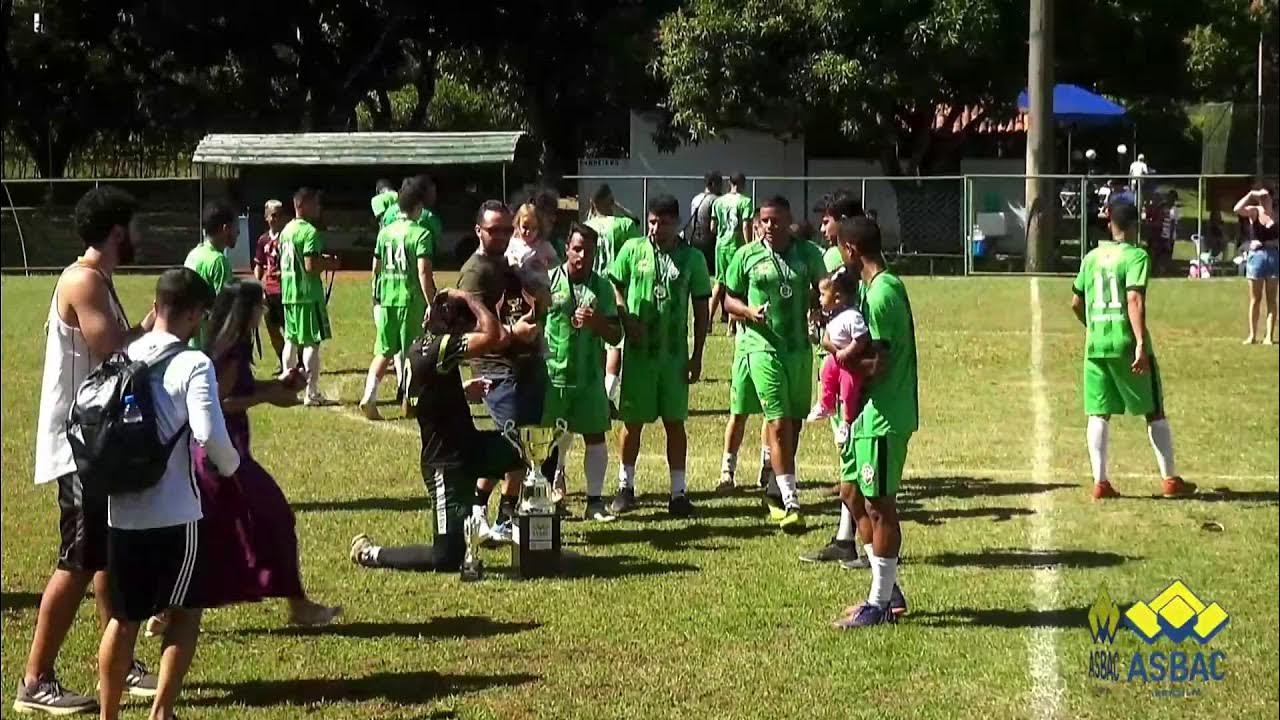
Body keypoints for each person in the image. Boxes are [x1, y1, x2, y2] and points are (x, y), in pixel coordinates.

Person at [17, 187, 158, 716]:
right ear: (118, 231)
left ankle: (118, 661)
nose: (140, 236)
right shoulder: (83, 280)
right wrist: (152, 328)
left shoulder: (99, 279)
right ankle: (35, 680)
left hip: (99, 443)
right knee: (77, 562)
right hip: (81, 447)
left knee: (104, 556)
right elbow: (110, 349)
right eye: (136, 227)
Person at [97, 268, 240, 720]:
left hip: (121, 511)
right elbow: (209, 435)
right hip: (175, 512)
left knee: (123, 618)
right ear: (196, 314)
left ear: (156, 306)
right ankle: (161, 711)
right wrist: (233, 467)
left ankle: (108, 715)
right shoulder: (193, 363)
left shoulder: (122, 355)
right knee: (186, 610)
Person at [192, 280, 341, 626]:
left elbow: (240, 389)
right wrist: (267, 396)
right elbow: (220, 402)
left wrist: (277, 385)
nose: (264, 311)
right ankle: (299, 606)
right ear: (246, 311)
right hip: (222, 454)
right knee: (275, 517)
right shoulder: (231, 351)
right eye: (260, 306)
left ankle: (167, 611)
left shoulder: (227, 344)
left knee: (212, 532)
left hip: (220, 452)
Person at [350, 289, 521, 571]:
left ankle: (504, 524)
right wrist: (469, 297)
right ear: (451, 327)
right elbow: (496, 335)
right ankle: (371, 553)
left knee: (520, 453)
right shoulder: (437, 348)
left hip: (468, 446)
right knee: (446, 558)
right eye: (465, 328)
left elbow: (413, 405)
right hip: (445, 464)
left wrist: (458, 392)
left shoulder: (420, 346)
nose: (468, 333)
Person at [1071, 203, 1196, 501]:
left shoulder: (1091, 258)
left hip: (1096, 342)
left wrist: (1093, 325)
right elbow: (1134, 299)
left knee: (1098, 412)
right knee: (1154, 410)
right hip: (1126, 342)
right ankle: (1169, 479)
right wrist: (1140, 342)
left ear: (1110, 224)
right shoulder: (1136, 256)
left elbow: (1075, 302)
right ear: (1134, 226)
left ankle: (1100, 482)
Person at [831, 217, 916, 629]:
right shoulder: (868, 287)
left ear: (850, 250)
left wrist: (839, 356)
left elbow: (878, 363)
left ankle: (880, 603)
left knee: (880, 506)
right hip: (865, 414)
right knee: (851, 493)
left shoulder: (882, 293)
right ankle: (888, 591)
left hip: (883, 415)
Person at [722, 196, 826, 531]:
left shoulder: (808, 253)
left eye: (776, 220)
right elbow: (727, 297)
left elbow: (821, 287)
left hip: (798, 350)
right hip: (761, 347)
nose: (769, 227)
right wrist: (748, 312)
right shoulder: (746, 255)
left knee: (793, 425)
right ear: (757, 223)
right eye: (764, 221)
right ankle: (789, 499)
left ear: (789, 220)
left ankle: (773, 487)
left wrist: (818, 303)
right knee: (778, 422)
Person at [607, 195, 711, 517]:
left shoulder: (692, 258)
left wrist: (697, 354)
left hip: (674, 356)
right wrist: (625, 315)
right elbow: (615, 286)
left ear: (677, 223)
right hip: (639, 356)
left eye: (663, 223)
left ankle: (678, 494)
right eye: (652, 222)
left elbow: (701, 307)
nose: (656, 229)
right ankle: (625, 488)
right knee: (632, 423)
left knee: (675, 424)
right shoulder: (632, 250)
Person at [457, 200, 545, 543]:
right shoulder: (475, 272)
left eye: (508, 229)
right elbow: (473, 332)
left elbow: (521, 304)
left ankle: (486, 516)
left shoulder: (504, 265)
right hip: (498, 370)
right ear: (479, 230)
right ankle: (493, 517)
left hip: (523, 367)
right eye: (495, 230)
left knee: (517, 448)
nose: (503, 236)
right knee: (514, 450)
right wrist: (514, 335)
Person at [800, 191, 871, 566]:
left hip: (847, 372)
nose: (824, 228)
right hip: (841, 366)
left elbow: (821, 296)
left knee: (851, 457)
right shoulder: (863, 262)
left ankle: (858, 545)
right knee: (849, 460)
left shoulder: (839, 260)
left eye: (828, 221)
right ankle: (846, 537)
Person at [543, 223, 623, 521]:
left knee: (595, 437)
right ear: (566, 248)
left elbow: (615, 336)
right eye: (577, 249)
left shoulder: (602, 287)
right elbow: (535, 325)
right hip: (553, 376)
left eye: (588, 252)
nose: (581, 256)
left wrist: (598, 322)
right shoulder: (549, 281)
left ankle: (595, 501)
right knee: (546, 441)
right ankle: (548, 498)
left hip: (589, 377)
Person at [359, 175, 438, 420]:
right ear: (418, 207)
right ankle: (409, 401)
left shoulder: (385, 232)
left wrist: (377, 292)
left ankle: (369, 396)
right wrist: (432, 302)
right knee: (411, 352)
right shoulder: (421, 234)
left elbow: (377, 266)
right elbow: (423, 272)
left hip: (387, 298)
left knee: (383, 351)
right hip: (409, 299)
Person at [279, 187, 341, 406]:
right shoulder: (310, 232)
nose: (318, 208)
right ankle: (311, 393)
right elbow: (310, 265)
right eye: (315, 203)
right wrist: (329, 263)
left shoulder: (286, 231)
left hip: (288, 294)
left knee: (291, 341)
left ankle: (287, 389)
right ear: (303, 205)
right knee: (311, 343)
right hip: (307, 295)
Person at [585, 184, 644, 407]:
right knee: (615, 343)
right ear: (611, 202)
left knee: (596, 340)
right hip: (614, 287)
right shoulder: (623, 225)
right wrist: (622, 210)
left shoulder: (586, 225)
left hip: (590, 287)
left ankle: (597, 391)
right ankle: (607, 396)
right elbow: (636, 229)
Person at [805, 271, 868, 445]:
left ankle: (845, 423)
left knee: (848, 389)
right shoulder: (834, 316)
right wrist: (834, 350)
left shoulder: (853, 317)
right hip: (836, 358)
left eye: (823, 295)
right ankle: (826, 404)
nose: (819, 299)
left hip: (850, 363)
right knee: (825, 372)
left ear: (838, 298)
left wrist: (847, 353)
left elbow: (861, 338)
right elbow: (827, 338)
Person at [184, 199, 238, 350]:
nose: (238, 232)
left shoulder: (194, 254)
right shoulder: (219, 261)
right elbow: (224, 309)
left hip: (189, 339)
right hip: (209, 344)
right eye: (236, 227)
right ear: (226, 229)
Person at [1233, 186, 1279, 344]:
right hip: (1257, 258)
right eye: (1261, 198)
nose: (1263, 200)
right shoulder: (1254, 212)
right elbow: (1237, 209)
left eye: (1266, 197)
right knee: (1255, 298)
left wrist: (1273, 242)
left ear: (1272, 198)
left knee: (1272, 299)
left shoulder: (1277, 215)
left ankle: (1269, 337)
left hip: (1273, 257)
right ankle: (1252, 335)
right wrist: (1251, 194)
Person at [709, 173, 753, 332]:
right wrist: (749, 245)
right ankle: (731, 327)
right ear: (743, 183)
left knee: (719, 283)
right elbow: (746, 225)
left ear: (729, 183)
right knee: (737, 285)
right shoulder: (746, 201)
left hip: (721, 245)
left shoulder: (718, 202)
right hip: (737, 246)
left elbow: (712, 227)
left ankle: (708, 322)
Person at [253, 200, 288, 368]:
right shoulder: (263, 240)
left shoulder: (288, 238)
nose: (277, 219)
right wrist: (259, 284)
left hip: (286, 290)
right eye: (273, 215)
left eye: (280, 215)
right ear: (266, 217)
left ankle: (296, 361)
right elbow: (259, 264)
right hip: (269, 292)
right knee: (272, 330)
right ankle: (283, 360)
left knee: (289, 330)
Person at [506, 202, 560, 294]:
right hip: (519, 287)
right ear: (517, 224)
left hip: (539, 287)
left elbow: (557, 264)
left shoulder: (543, 246)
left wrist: (546, 265)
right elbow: (507, 259)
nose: (528, 232)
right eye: (525, 227)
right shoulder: (513, 243)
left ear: (539, 228)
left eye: (534, 228)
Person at [687, 171, 722, 273]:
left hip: (694, 238)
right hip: (709, 241)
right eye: (720, 184)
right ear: (713, 184)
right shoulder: (716, 200)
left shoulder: (695, 198)